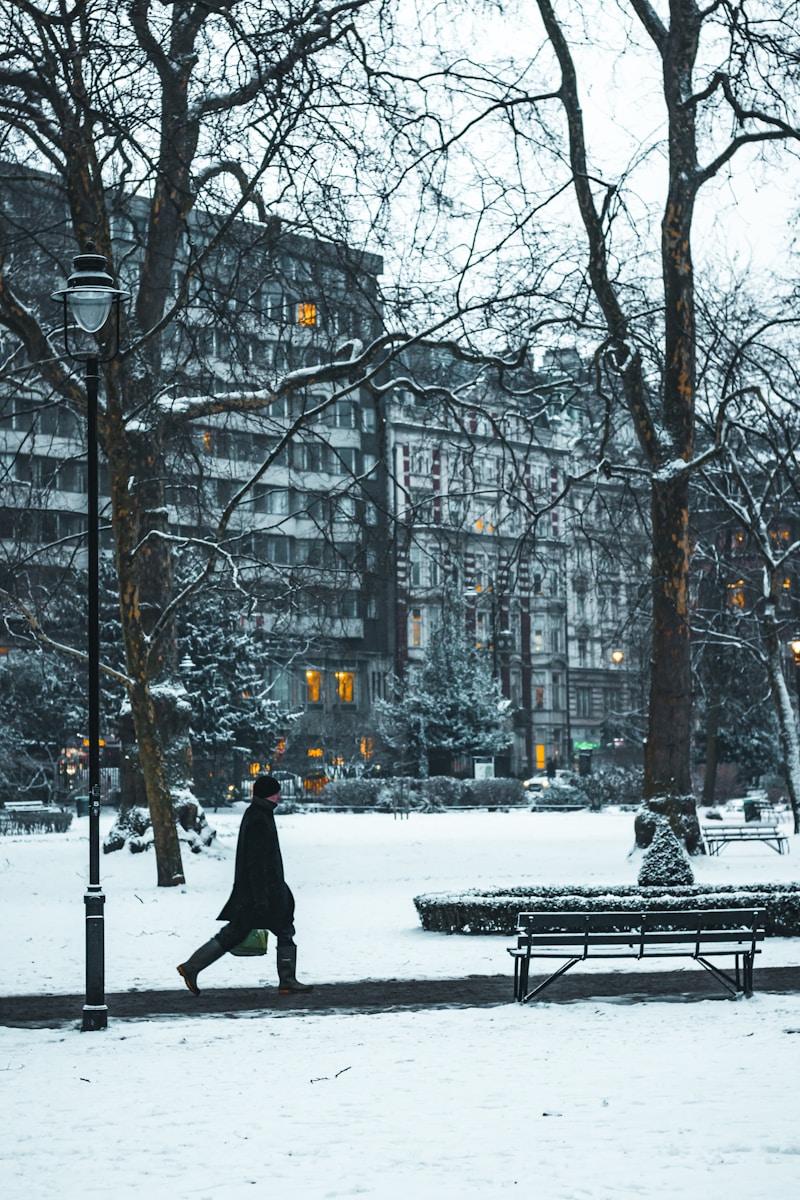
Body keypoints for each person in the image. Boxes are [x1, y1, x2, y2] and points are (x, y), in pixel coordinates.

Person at [177, 775, 312, 996]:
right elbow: (257, 862)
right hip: (262, 892)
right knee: (277, 930)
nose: (279, 795)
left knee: (237, 933)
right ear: (269, 794)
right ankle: (287, 981)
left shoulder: (258, 813)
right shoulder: (260, 818)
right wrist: (262, 897)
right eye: (276, 792)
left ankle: (191, 967)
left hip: (259, 891)